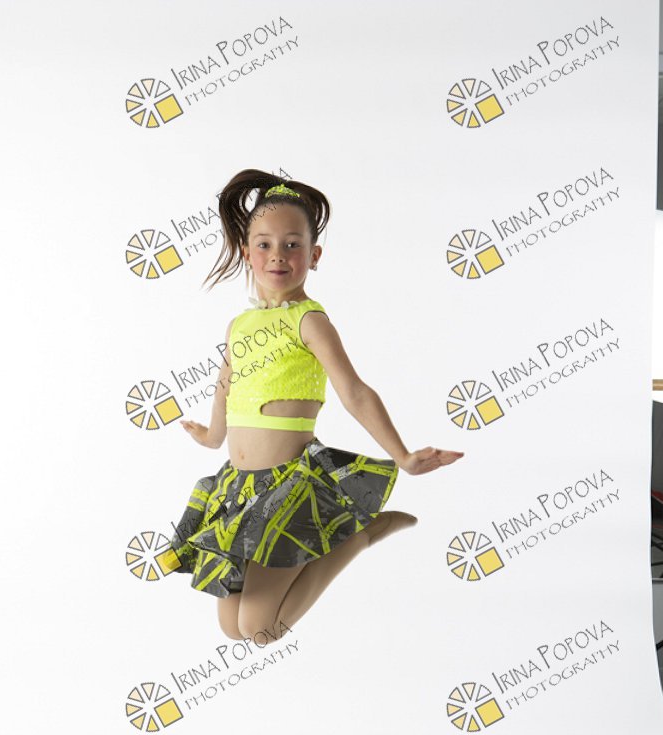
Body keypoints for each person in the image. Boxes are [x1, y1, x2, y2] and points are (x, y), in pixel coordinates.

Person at [168, 169, 463, 643]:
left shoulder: (310, 321)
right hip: (238, 490)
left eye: (292, 245)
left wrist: (404, 456)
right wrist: (212, 435)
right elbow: (227, 383)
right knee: (231, 629)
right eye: (264, 244)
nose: (277, 256)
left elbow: (355, 392)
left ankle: (358, 535)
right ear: (246, 252)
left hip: (288, 487)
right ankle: (346, 538)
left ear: (314, 255)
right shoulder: (240, 325)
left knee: (260, 629)